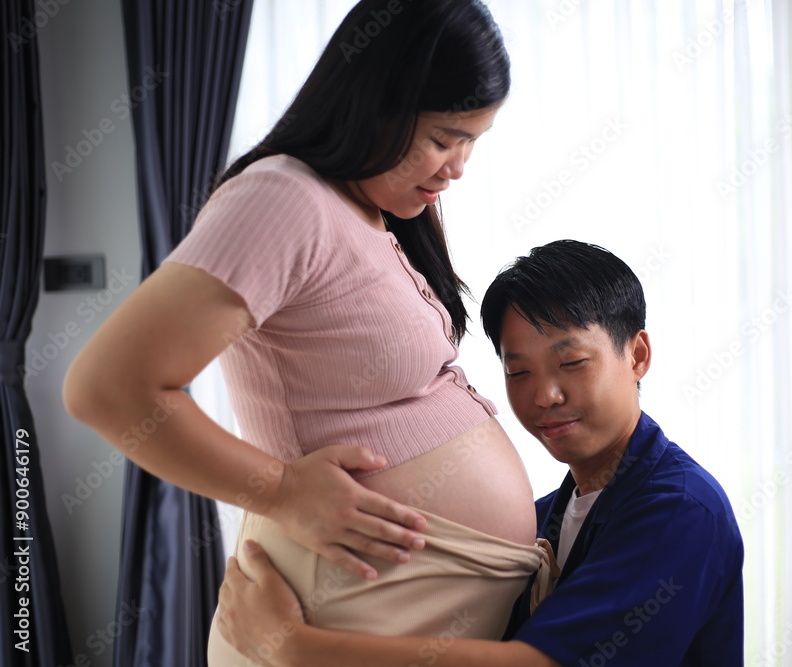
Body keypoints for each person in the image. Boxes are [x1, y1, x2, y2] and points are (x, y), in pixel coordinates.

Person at [62, 1, 547, 664]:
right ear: (375, 102)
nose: (458, 165)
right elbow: (106, 388)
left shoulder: (380, 209)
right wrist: (284, 492)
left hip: (393, 603)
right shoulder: (283, 198)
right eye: (444, 138)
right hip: (341, 601)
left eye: (473, 141)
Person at [215, 240, 746, 666]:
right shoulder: (551, 516)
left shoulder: (679, 511)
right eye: (519, 372)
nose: (545, 395)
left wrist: (291, 648)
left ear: (638, 355)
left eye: (571, 363)